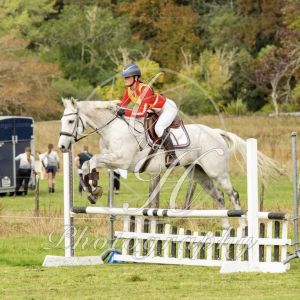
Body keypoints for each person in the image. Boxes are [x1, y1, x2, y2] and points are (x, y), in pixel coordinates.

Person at [116, 63, 180, 168]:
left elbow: (141, 113)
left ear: (136, 78)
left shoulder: (145, 89)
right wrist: (112, 107)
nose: (125, 79)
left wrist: (125, 112)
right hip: (154, 110)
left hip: (167, 108)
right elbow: (122, 105)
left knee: (159, 128)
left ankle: (173, 156)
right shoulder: (128, 90)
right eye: (124, 77)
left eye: (127, 77)